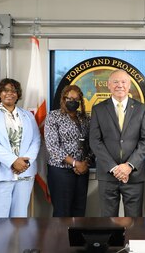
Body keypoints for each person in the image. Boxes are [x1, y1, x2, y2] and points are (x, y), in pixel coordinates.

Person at [89, 69, 145, 217]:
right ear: (109, 86)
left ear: (129, 86)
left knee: (135, 220)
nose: (120, 85)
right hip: (108, 175)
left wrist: (129, 166)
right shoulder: (98, 109)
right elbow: (95, 140)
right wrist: (113, 168)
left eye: (123, 82)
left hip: (134, 175)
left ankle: (132, 241)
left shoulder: (142, 109)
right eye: (115, 82)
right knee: (108, 221)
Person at [0, 78, 41, 217]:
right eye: (5, 90)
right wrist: (13, 161)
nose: (9, 93)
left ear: (18, 95)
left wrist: (25, 162)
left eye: (13, 91)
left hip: (24, 174)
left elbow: (36, 140)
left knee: (19, 220)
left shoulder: (28, 116)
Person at [45, 85, 93, 217]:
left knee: (79, 210)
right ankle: (60, 238)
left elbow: (93, 143)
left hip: (82, 170)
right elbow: (52, 146)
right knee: (62, 211)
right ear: (63, 99)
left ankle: (76, 238)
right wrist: (75, 163)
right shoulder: (53, 116)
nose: (73, 101)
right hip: (60, 170)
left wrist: (85, 163)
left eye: (77, 99)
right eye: (70, 98)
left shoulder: (85, 118)